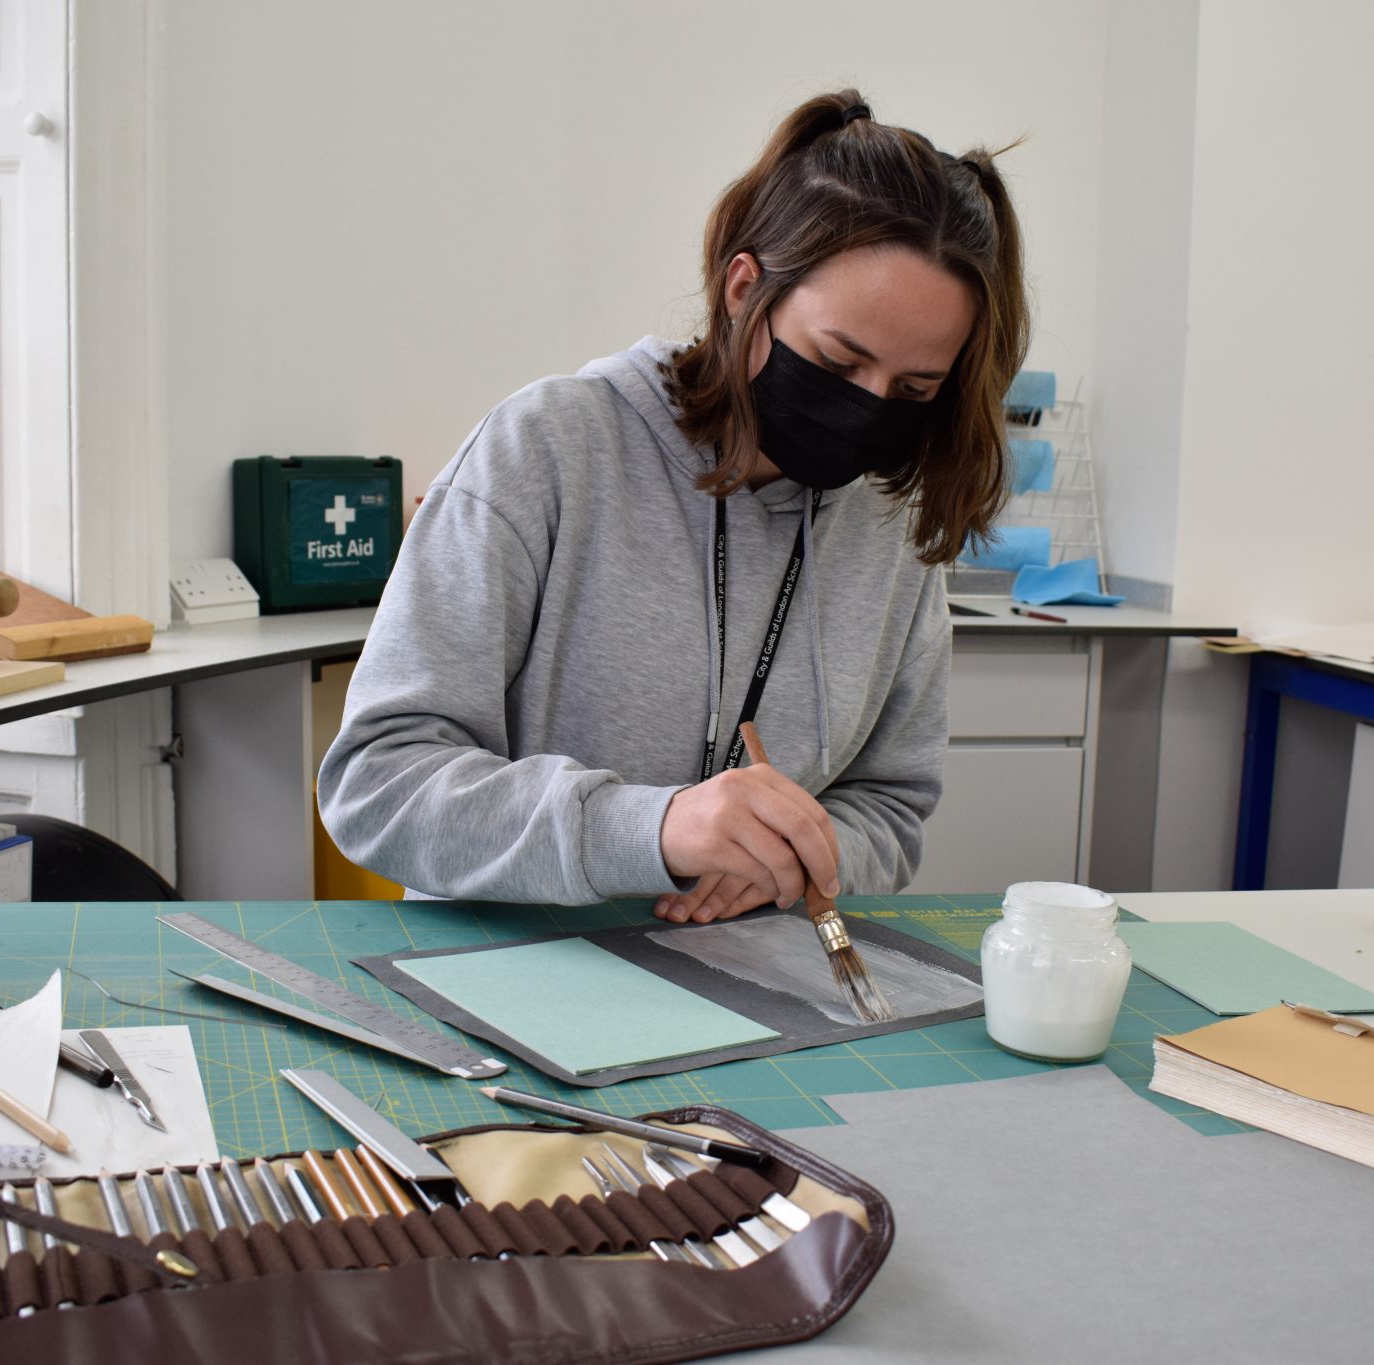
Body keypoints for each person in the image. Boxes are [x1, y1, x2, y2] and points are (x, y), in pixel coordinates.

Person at [318, 89, 1027, 924]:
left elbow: (889, 809)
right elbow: (377, 781)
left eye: (913, 388)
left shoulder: (890, 519)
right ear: (742, 288)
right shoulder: (546, 449)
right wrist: (654, 828)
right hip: (505, 974)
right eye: (838, 363)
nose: (869, 409)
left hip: (747, 979)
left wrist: (791, 860)